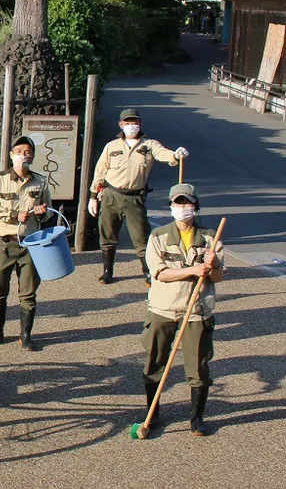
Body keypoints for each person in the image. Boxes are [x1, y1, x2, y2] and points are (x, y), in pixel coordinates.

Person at [141, 183, 225, 436]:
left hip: (197, 308)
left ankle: (197, 418)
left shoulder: (211, 238)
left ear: (196, 206)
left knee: (198, 365)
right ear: (170, 207)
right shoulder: (158, 236)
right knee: (155, 360)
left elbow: (219, 278)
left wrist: (213, 265)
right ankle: (151, 412)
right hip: (163, 307)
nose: (182, 208)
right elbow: (160, 273)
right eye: (177, 203)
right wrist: (192, 270)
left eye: (187, 203)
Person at [87, 108, 188, 285]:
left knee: (141, 237)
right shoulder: (112, 146)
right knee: (107, 234)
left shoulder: (149, 145)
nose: (131, 126)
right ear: (121, 125)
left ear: (140, 124)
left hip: (135, 197)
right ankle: (107, 271)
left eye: (134, 122)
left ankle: (148, 271)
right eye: (127, 123)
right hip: (112, 194)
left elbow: (163, 154)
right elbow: (100, 171)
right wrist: (93, 196)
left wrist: (175, 155)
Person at [0, 136, 53, 351]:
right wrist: (14, 214)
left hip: (30, 243)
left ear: (32, 157)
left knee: (29, 291)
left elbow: (48, 212)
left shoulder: (40, 181)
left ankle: (26, 334)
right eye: (20, 151)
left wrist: (42, 213)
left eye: (28, 152)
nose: (24, 155)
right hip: (4, 242)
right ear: (12, 155)